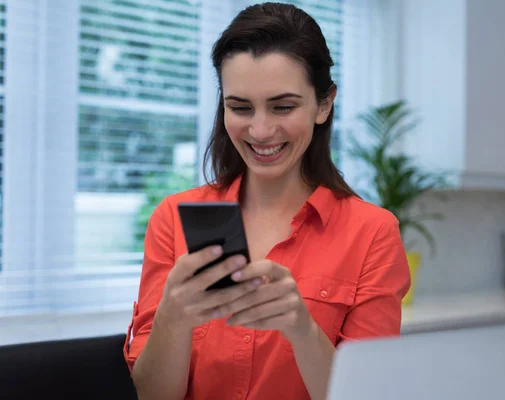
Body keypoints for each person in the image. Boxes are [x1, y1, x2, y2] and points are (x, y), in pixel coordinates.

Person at [123, 3, 411, 400]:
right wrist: (172, 319)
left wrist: (302, 329)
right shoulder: (173, 218)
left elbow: (368, 394)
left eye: (283, 106)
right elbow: (152, 395)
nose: (260, 130)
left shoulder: (372, 233)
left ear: (323, 104)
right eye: (240, 107)